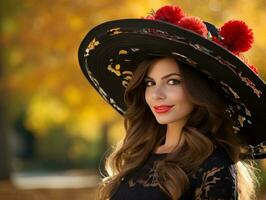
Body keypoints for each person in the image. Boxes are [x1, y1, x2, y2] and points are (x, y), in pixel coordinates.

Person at [78, 5, 266, 200]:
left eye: (172, 81)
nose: (156, 94)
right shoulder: (139, 153)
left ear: (200, 90)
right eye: (150, 83)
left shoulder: (215, 165)